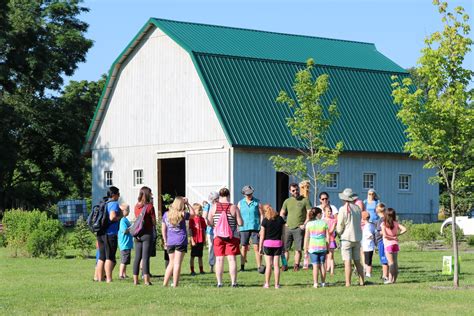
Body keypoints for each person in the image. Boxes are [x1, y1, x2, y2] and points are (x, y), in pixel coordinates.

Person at [207, 187, 243, 287]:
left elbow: (209, 222)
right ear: (229, 195)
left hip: (218, 237)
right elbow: (240, 223)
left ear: (219, 196)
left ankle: (219, 283)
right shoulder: (233, 207)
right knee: (232, 259)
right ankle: (234, 283)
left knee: (219, 260)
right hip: (231, 237)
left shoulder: (214, 207)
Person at [162, 196, 195, 287]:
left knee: (171, 263)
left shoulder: (166, 214)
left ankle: (165, 283)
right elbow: (193, 214)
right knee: (177, 264)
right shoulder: (182, 214)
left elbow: (163, 229)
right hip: (180, 241)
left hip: (170, 242)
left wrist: (165, 241)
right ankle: (175, 284)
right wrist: (188, 203)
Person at [280, 183, 312, 272]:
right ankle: (284, 265)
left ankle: (296, 266)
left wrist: (304, 224)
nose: (296, 192)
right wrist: (283, 223)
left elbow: (309, 214)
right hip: (288, 228)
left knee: (298, 249)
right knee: (285, 249)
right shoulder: (287, 201)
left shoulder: (305, 200)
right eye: (293, 190)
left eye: (297, 189)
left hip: (299, 228)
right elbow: (282, 213)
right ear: (290, 191)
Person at [336, 188, 365, 287]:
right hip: (357, 237)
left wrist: (338, 232)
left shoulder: (343, 209)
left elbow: (340, 225)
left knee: (347, 261)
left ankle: (348, 282)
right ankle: (362, 281)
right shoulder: (357, 208)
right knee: (357, 261)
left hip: (346, 237)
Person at [96, 186, 122, 283]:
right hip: (110, 233)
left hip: (100, 233)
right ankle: (109, 279)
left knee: (101, 257)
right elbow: (112, 217)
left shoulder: (104, 203)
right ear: (114, 195)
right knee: (110, 256)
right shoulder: (114, 203)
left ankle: (99, 278)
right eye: (118, 194)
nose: (119, 196)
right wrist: (120, 216)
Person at [132, 186, 156, 286]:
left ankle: (135, 281)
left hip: (137, 234)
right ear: (147, 194)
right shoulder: (150, 207)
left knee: (137, 257)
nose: (152, 195)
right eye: (150, 193)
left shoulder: (136, 206)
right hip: (147, 233)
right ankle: (146, 280)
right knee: (145, 258)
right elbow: (153, 221)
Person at [238, 185, 264, 272]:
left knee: (256, 247)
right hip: (244, 227)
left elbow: (262, 215)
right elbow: (237, 216)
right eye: (247, 194)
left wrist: (261, 227)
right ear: (244, 194)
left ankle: (259, 267)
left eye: (250, 193)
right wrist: (238, 226)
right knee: (244, 247)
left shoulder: (257, 202)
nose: (249, 195)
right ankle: (242, 267)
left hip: (255, 227)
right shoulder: (240, 203)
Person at [259, 204, 286, 289]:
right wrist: (283, 244)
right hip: (278, 243)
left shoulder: (265, 220)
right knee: (276, 265)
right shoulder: (280, 219)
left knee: (268, 265)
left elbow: (262, 235)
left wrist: (260, 247)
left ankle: (267, 284)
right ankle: (277, 285)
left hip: (267, 244)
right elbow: (283, 234)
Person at [304, 207, 329, 288]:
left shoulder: (309, 224)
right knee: (322, 265)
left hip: (312, 247)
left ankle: (315, 283)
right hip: (322, 246)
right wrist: (328, 247)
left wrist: (305, 248)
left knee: (315, 265)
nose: (322, 215)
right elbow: (327, 237)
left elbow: (306, 237)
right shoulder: (324, 223)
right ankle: (323, 282)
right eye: (321, 213)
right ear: (318, 214)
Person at [381, 208, 407, 284]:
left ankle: (390, 279)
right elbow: (404, 229)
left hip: (388, 244)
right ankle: (394, 280)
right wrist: (397, 235)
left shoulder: (383, 224)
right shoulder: (396, 223)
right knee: (395, 263)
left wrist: (392, 237)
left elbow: (385, 236)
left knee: (391, 263)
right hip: (395, 244)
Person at [203, 191, 219, 273]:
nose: (217, 200)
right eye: (216, 198)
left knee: (218, 247)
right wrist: (211, 224)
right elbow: (204, 217)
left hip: (219, 230)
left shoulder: (219, 205)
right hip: (211, 231)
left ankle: (218, 265)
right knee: (211, 247)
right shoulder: (208, 206)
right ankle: (212, 265)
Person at [189, 203, 207, 275]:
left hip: (201, 240)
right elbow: (190, 230)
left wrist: (205, 239)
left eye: (201, 210)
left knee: (200, 256)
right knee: (192, 256)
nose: (200, 212)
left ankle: (201, 270)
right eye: (199, 210)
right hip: (195, 240)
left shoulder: (202, 219)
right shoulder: (192, 219)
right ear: (194, 210)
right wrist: (192, 240)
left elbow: (203, 230)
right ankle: (192, 270)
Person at [374, 203, 389, 281]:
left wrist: (377, 233)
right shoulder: (385, 218)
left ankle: (385, 276)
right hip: (383, 242)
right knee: (386, 258)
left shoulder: (381, 220)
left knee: (384, 259)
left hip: (382, 242)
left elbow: (383, 232)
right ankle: (386, 274)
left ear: (378, 210)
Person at [118, 204, 133, 279]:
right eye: (127, 210)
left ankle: (124, 273)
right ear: (123, 211)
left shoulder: (125, 219)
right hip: (124, 243)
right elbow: (124, 231)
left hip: (127, 243)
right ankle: (121, 274)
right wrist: (131, 227)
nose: (129, 211)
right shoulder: (122, 220)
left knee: (126, 260)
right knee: (124, 260)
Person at [323, 205, 337, 276]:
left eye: (330, 211)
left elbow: (331, 230)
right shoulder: (322, 221)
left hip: (331, 240)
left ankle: (332, 271)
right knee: (325, 256)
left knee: (331, 256)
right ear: (324, 212)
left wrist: (326, 232)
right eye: (328, 211)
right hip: (324, 240)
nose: (329, 212)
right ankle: (325, 269)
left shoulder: (333, 220)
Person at [361, 212, 376, 278]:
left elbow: (370, 235)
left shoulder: (367, 226)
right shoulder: (372, 225)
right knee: (369, 260)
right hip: (370, 245)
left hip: (367, 245)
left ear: (363, 218)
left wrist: (369, 237)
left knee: (367, 260)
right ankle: (367, 272)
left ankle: (368, 273)